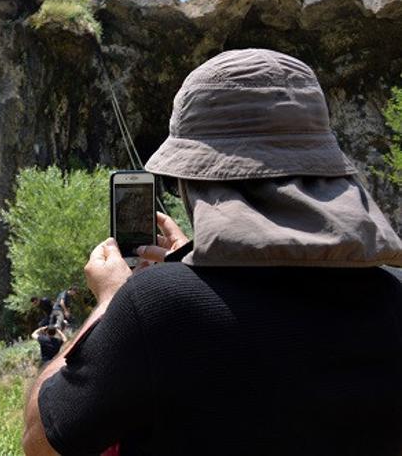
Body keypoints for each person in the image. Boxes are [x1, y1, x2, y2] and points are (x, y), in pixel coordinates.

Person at [23, 49, 402, 455]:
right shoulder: (393, 296)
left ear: (196, 179)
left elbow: (42, 442)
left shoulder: (158, 306)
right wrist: (195, 261)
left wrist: (110, 304)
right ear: (326, 169)